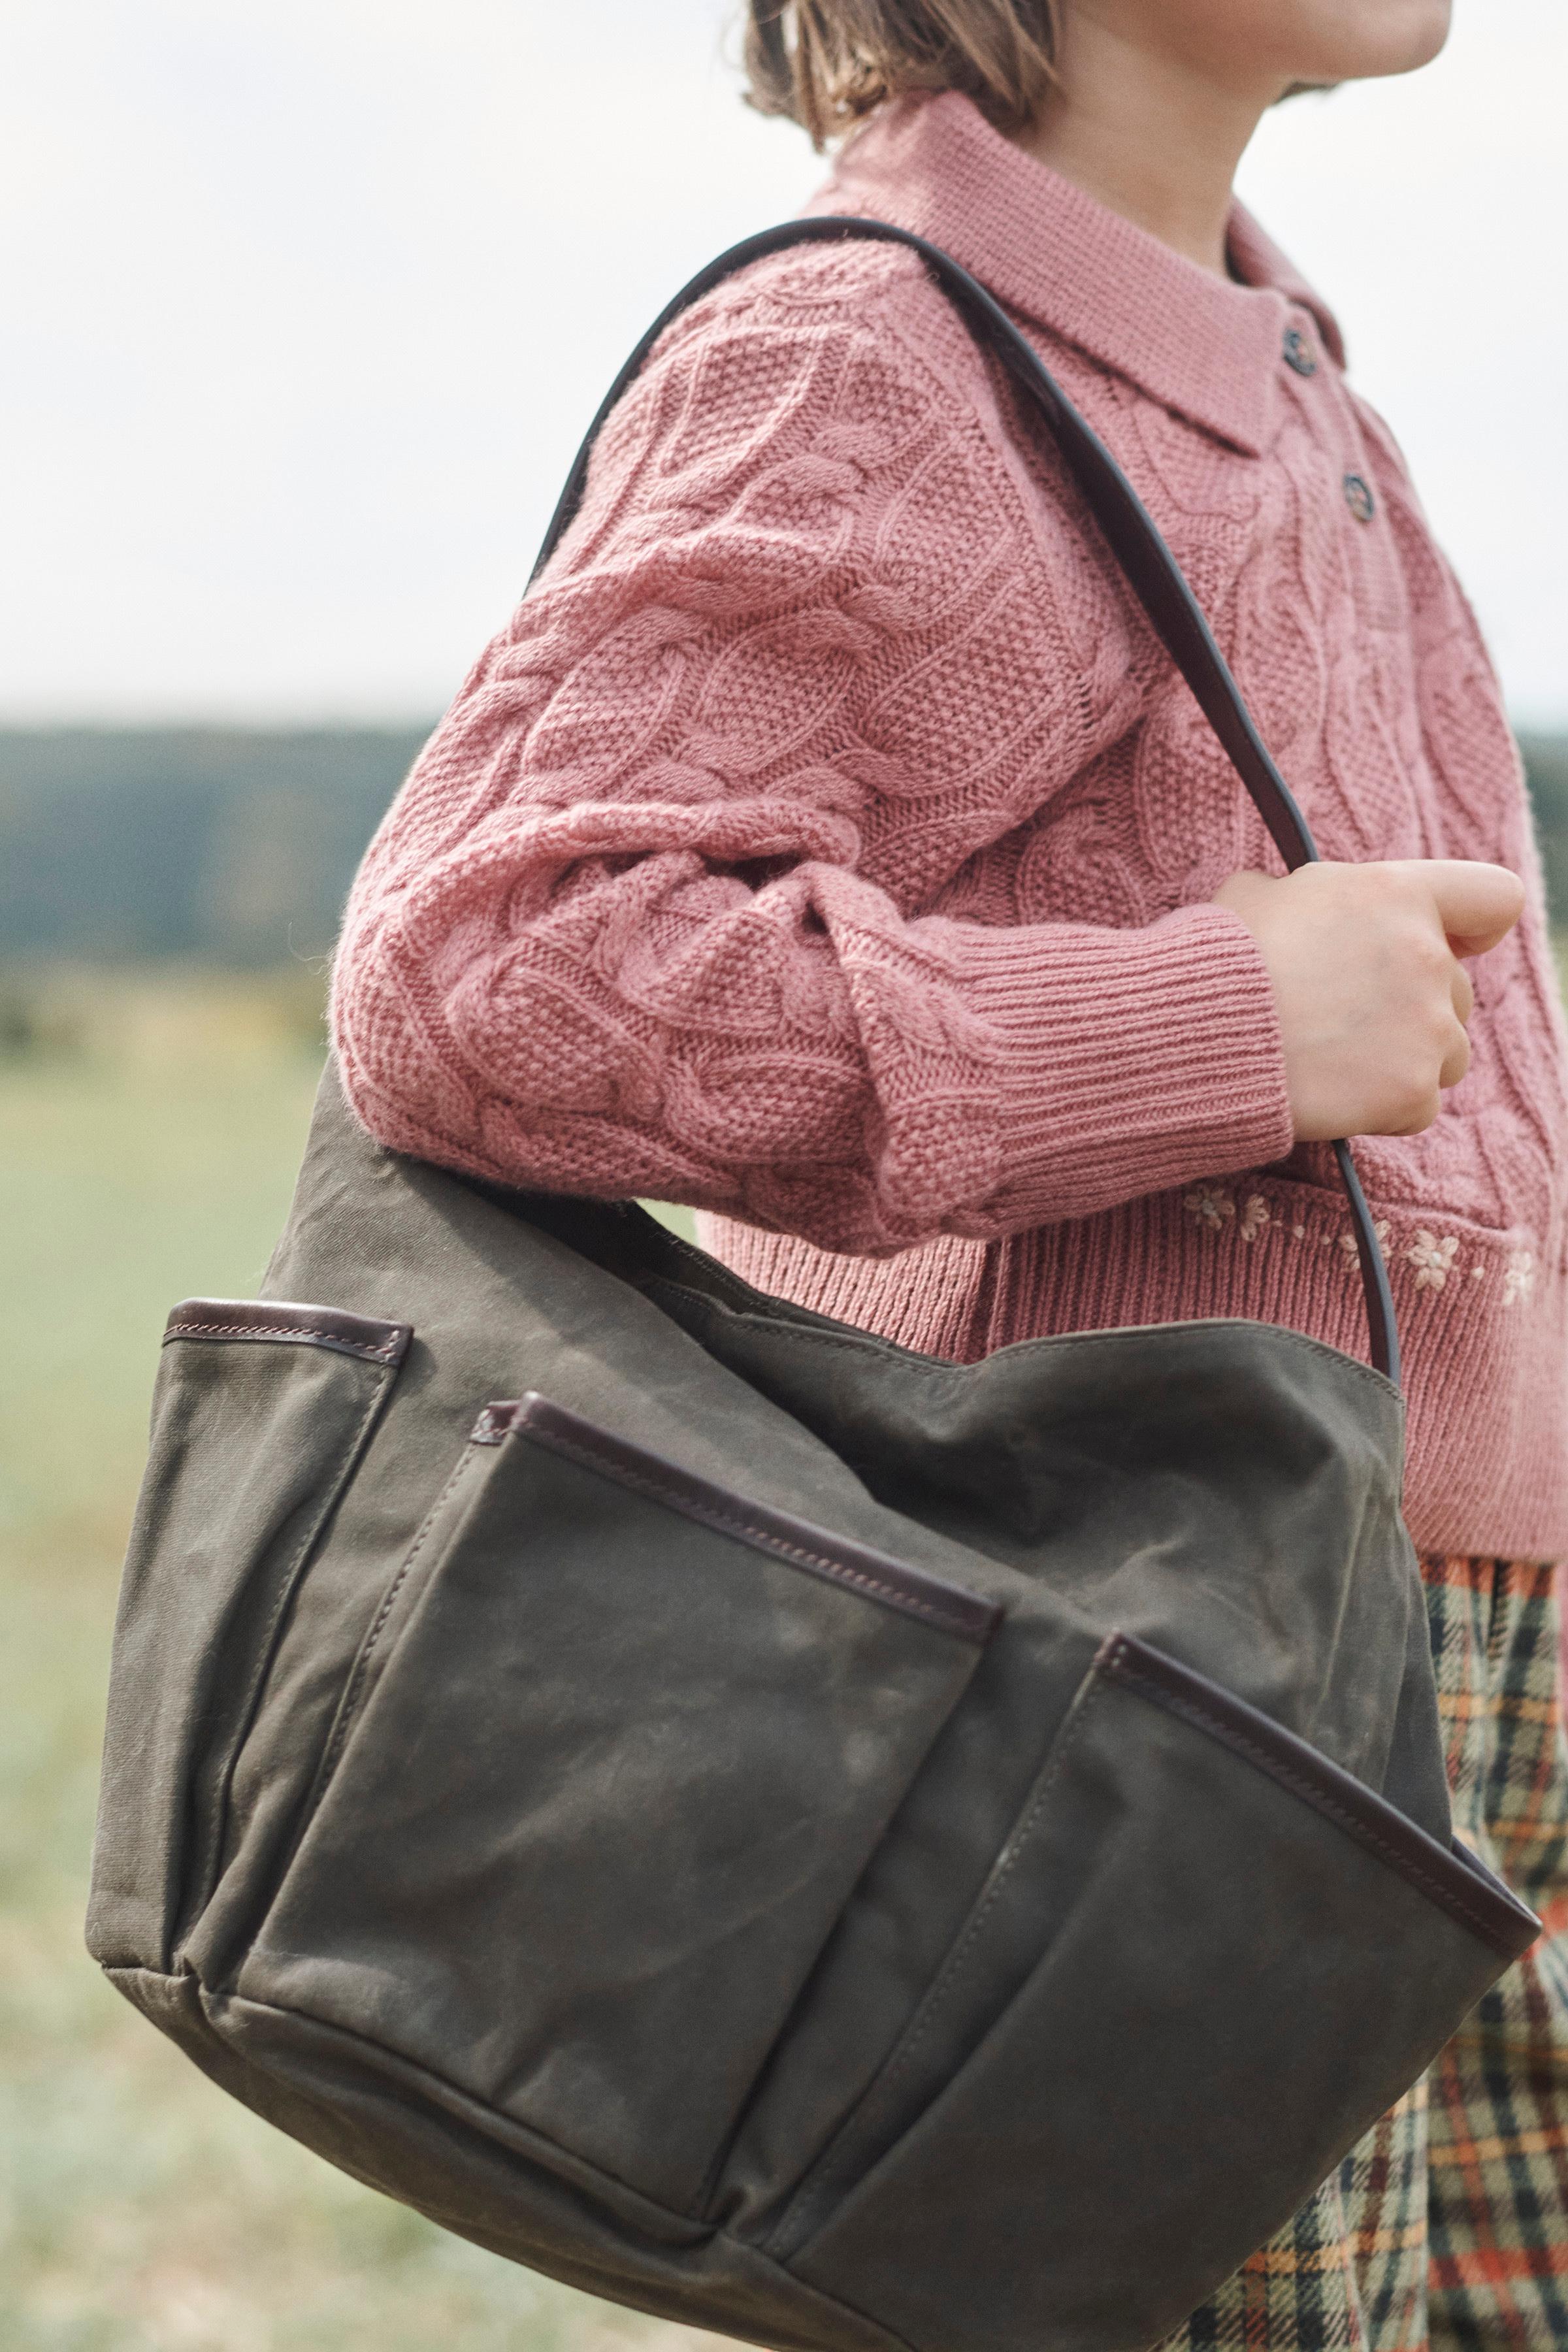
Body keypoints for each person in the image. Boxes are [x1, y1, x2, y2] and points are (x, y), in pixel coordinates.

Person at [331, 3, 1568, 2341]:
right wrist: (1213, 1029)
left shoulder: (1289, 383)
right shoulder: (879, 357)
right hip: (1151, 1675)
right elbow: (490, 972)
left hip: (1431, 1657)